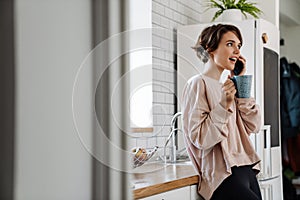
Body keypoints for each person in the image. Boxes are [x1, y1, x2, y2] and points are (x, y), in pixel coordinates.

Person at [181, 24, 262, 200]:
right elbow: (200, 138)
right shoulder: (197, 84)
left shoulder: (231, 85)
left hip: (246, 167)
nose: (237, 51)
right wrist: (223, 105)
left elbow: (254, 126)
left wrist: (242, 84)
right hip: (224, 173)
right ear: (210, 48)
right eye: (230, 44)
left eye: (239, 46)